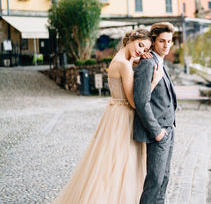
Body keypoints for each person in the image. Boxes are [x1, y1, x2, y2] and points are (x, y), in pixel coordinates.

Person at [53, 28, 164, 204]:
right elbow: (135, 102)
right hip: (124, 116)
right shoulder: (124, 65)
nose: (141, 51)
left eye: (145, 49)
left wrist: (138, 58)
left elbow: (131, 64)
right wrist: (154, 81)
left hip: (115, 113)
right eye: (140, 44)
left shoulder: (122, 59)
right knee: (120, 164)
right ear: (131, 39)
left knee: (111, 162)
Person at [133, 22, 177, 204]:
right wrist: (157, 132)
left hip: (169, 129)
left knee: (164, 179)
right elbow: (142, 101)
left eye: (169, 41)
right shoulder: (148, 64)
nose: (166, 45)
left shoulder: (160, 61)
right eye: (162, 41)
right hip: (158, 132)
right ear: (154, 41)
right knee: (154, 181)